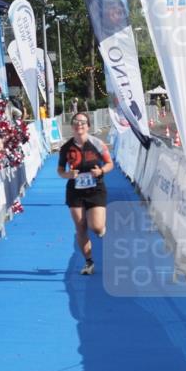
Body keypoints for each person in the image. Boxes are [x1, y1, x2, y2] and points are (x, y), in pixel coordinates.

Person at [57, 112, 113, 276]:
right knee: (81, 227)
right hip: (75, 191)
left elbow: (110, 163)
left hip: (96, 189)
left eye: (82, 122)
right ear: (72, 126)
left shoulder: (98, 144)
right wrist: (68, 175)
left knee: (95, 227)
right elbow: (60, 170)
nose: (79, 125)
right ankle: (88, 262)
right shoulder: (66, 148)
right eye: (76, 122)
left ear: (88, 126)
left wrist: (101, 170)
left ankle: (101, 228)